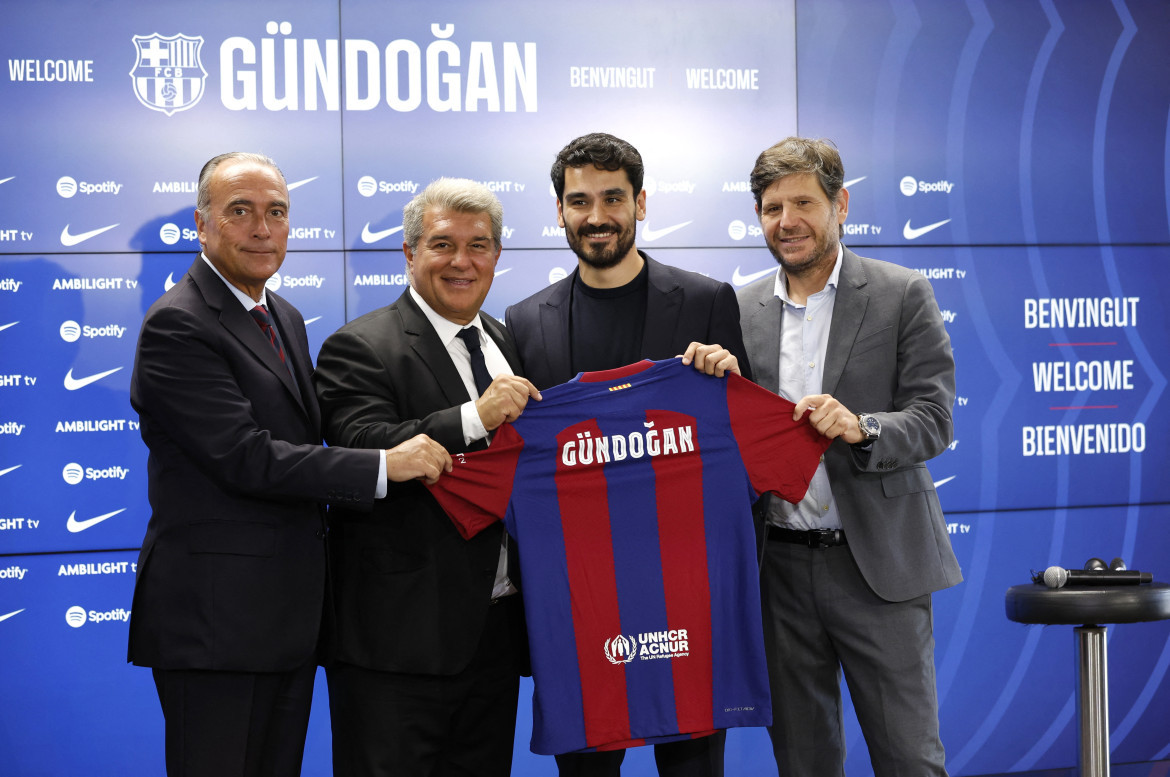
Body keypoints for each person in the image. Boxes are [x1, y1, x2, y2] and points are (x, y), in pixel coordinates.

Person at [127, 151, 451, 777]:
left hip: (287, 621)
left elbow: (307, 433)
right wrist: (383, 465)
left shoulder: (283, 316)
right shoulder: (179, 324)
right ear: (202, 224)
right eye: (240, 211)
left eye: (276, 212)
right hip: (216, 625)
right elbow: (246, 458)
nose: (262, 228)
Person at [506, 132, 749, 777]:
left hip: (687, 593)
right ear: (558, 211)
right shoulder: (524, 321)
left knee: (693, 766)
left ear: (641, 203)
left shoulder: (706, 302)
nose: (596, 216)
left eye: (612, 198)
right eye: (578, 201)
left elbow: (743, 448)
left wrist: (729, 378)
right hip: (581, 599)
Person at [737, 136, 962, 777]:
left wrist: (861, 427)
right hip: (776, 569)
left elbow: (934, 420)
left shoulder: (901, 292)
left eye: (803, 202)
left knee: (909, 759)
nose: (787, 221)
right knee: (803, 763)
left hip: (878, 568)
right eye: (772, 207)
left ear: (841, 204)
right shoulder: (740, 308)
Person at [313, 178, 541, 777]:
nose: (462, 262)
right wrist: (474, 417)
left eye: (480, 245)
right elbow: (359, 445)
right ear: (409, 253)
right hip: (397, 645)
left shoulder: (505, 341)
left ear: (497, 256)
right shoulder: (358, 345)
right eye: (443, 245)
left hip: (493, 635)